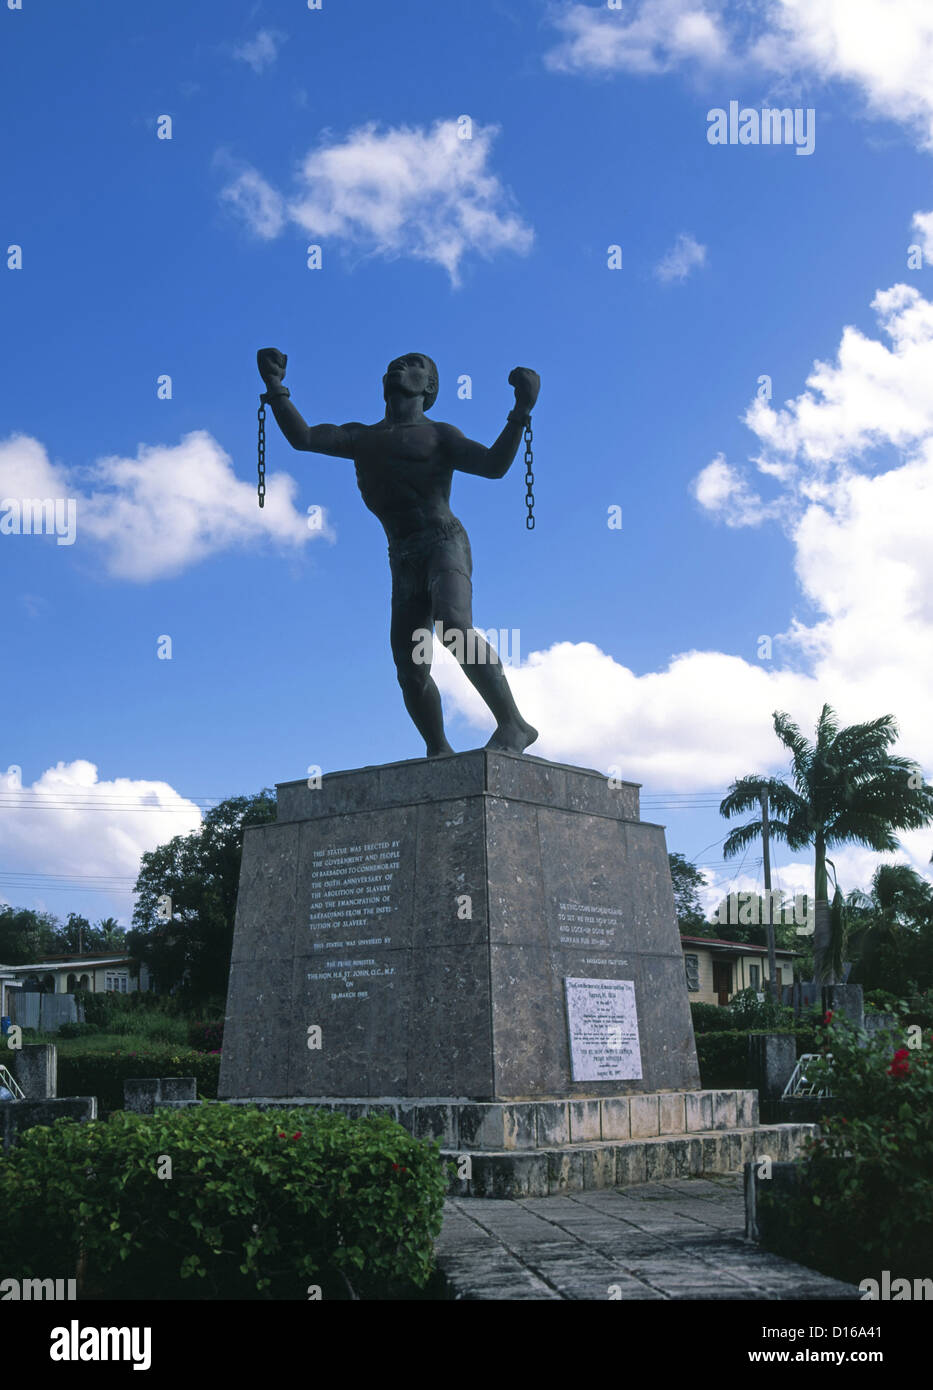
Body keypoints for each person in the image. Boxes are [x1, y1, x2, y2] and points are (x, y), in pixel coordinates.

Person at [257, 348, 541, 757]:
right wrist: (275, 387)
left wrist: (521, 410)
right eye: (396, 364)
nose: (400, 366)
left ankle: (514, 724)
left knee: (452, 626)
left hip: (444, 542)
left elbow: (494, 466)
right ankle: (438, 750)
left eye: (415, 364)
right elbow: (304, 438)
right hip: (402, 555)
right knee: (409, 667)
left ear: (429, 387)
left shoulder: (440, 435)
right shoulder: (361, 437)